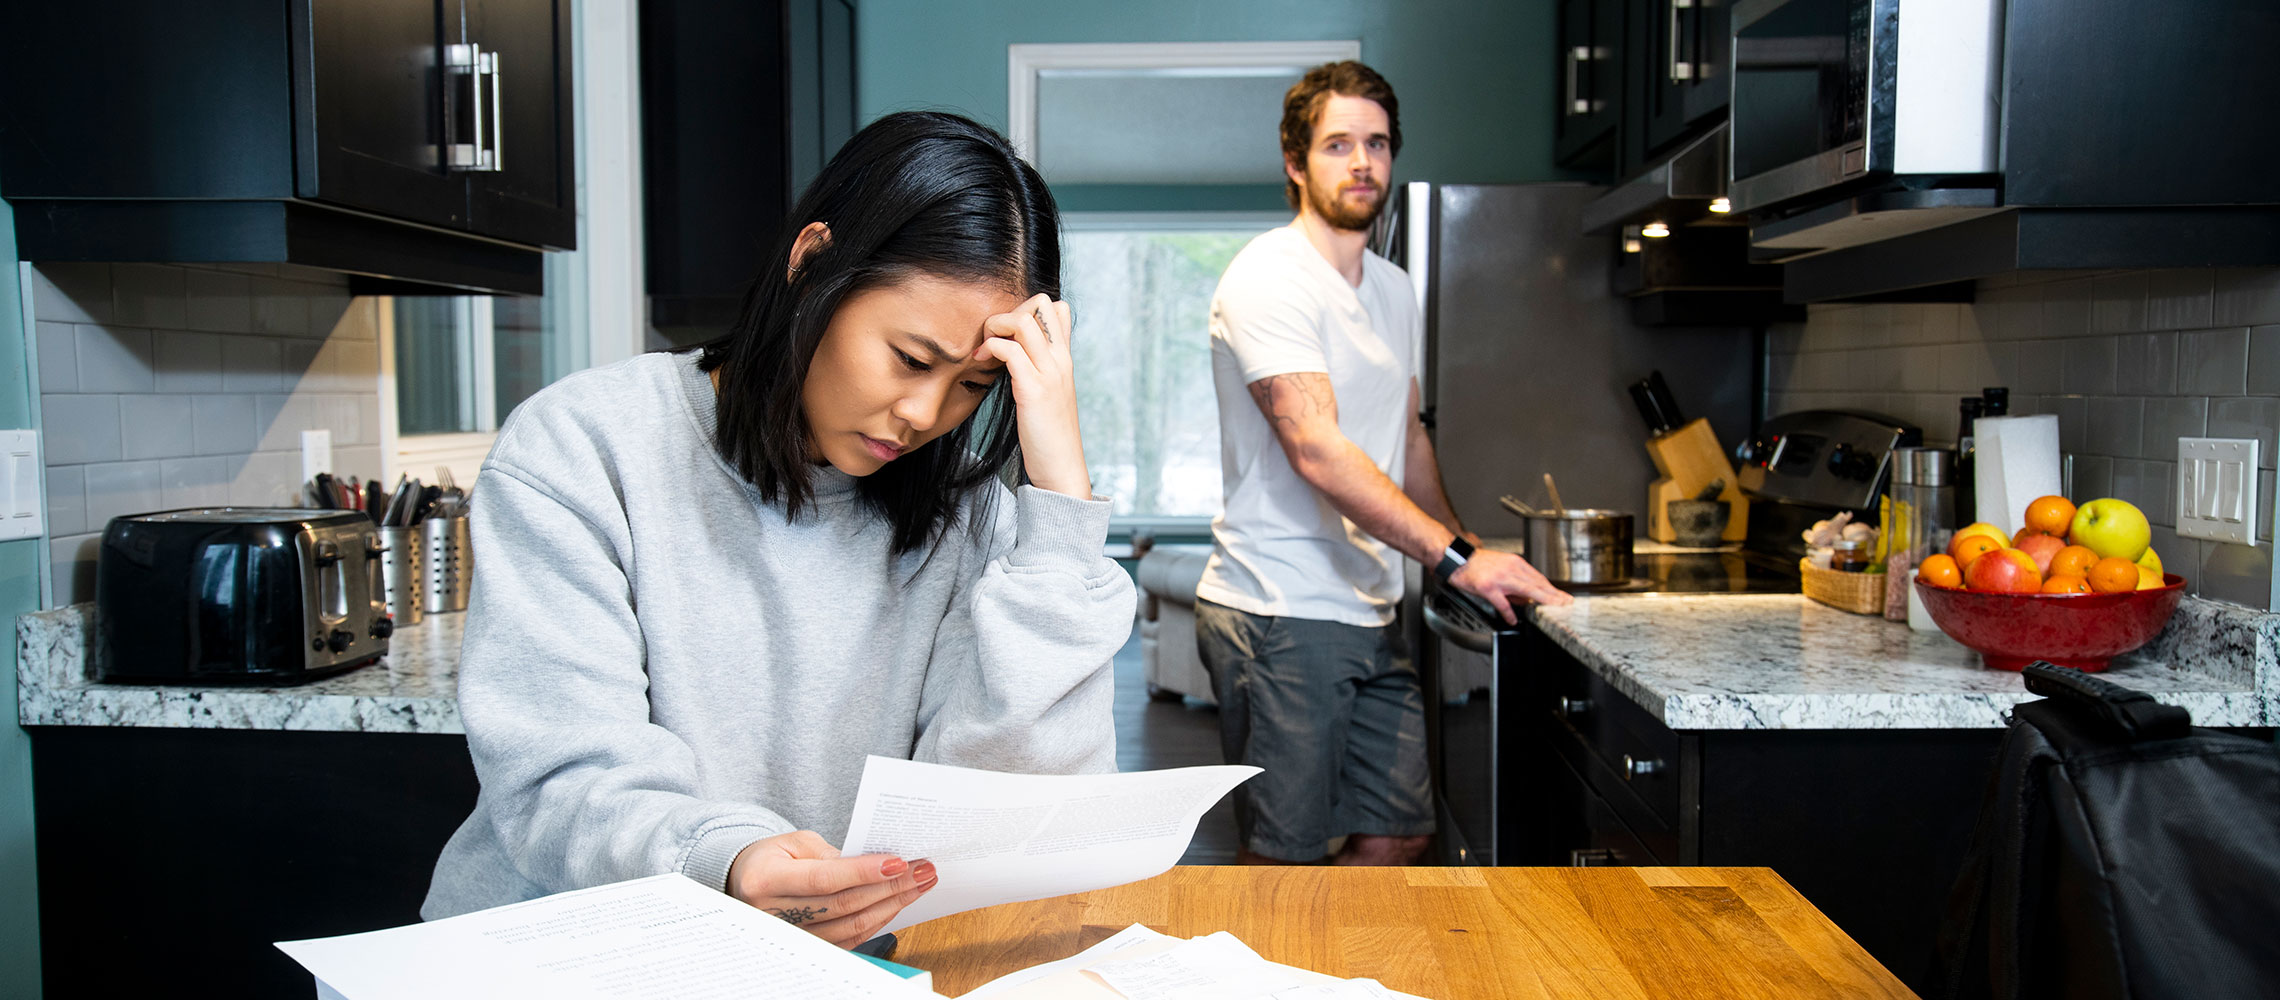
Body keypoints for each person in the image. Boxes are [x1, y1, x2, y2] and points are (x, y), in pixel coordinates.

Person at [420, 111, 1133, 947]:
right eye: (910, 358)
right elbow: (561, 780)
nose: (924, 414)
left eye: (975, 386)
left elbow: (1011, 809)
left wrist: (1061, 506)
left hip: (816, 966)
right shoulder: (583, 446)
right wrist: (725, 860)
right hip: (566, 953)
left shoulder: (971, 518)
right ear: (812, 262)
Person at [1194, 61, 1571, 867]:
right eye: (1337, 145)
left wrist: (1458, 551)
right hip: (1280, 608)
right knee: (1283, 861)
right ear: (1296, 164)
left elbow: (1406, 437)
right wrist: (1458, 559)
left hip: (1368, 603)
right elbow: (1318, 448)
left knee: (1402, 832)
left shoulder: (1395, 289)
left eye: (1377, 143)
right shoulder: (1268, 276)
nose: (1362, 162)